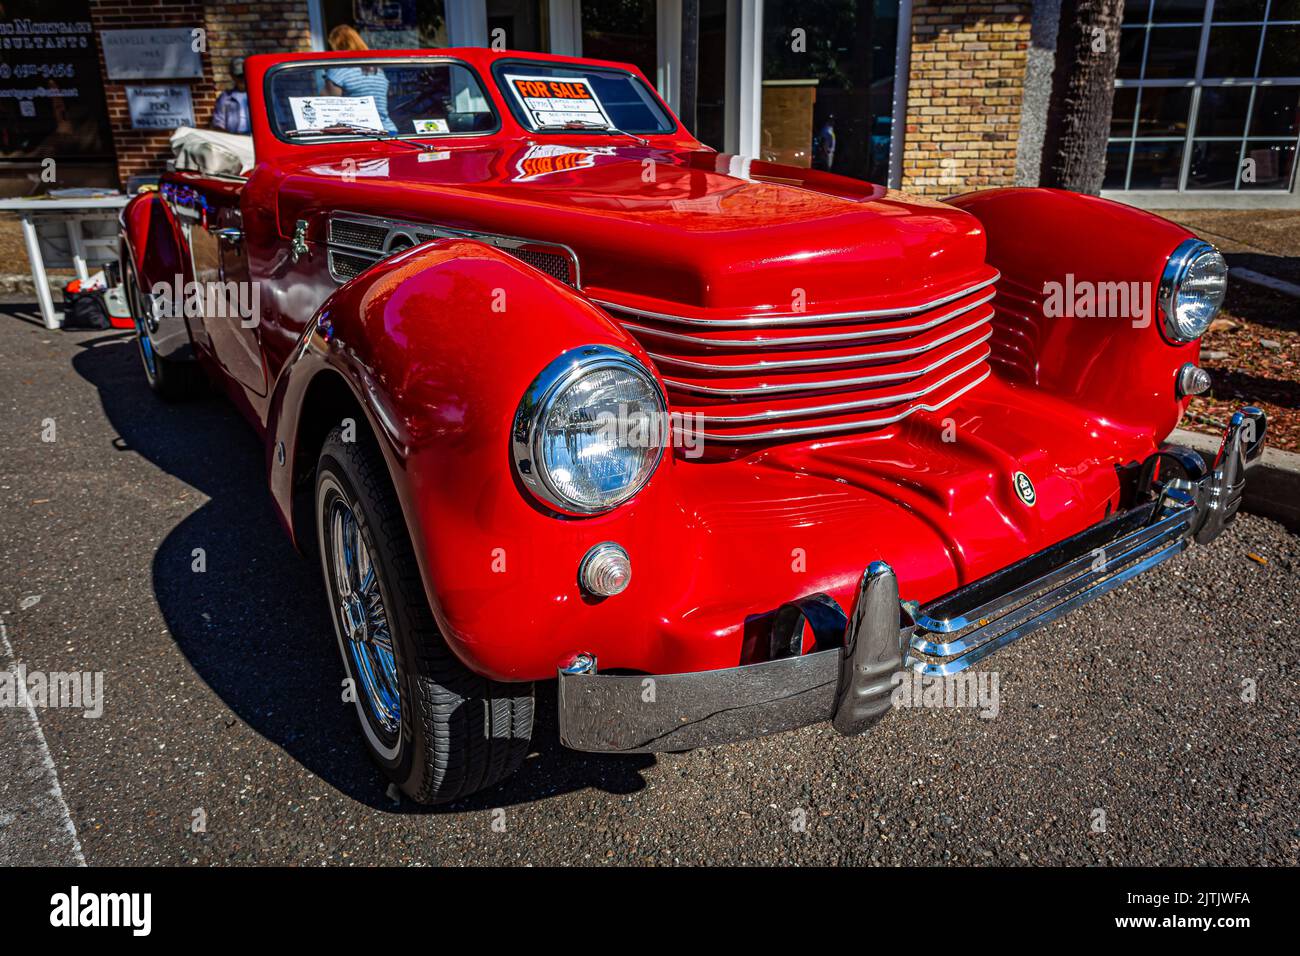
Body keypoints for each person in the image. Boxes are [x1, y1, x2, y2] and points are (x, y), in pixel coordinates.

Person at [323, 25, 397, 133]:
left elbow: (327, 106)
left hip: (359, 134)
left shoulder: (338, 70)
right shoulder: (377, 69)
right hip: (388, 130)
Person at [211, 57, 251, 135]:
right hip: (234, 140)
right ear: (232, 76)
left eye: (243, 75)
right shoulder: (225, 97)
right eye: (239, 76)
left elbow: (278, 121)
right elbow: (218, 124)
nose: (242, 79)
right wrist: (232, 136)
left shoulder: (261, 95)